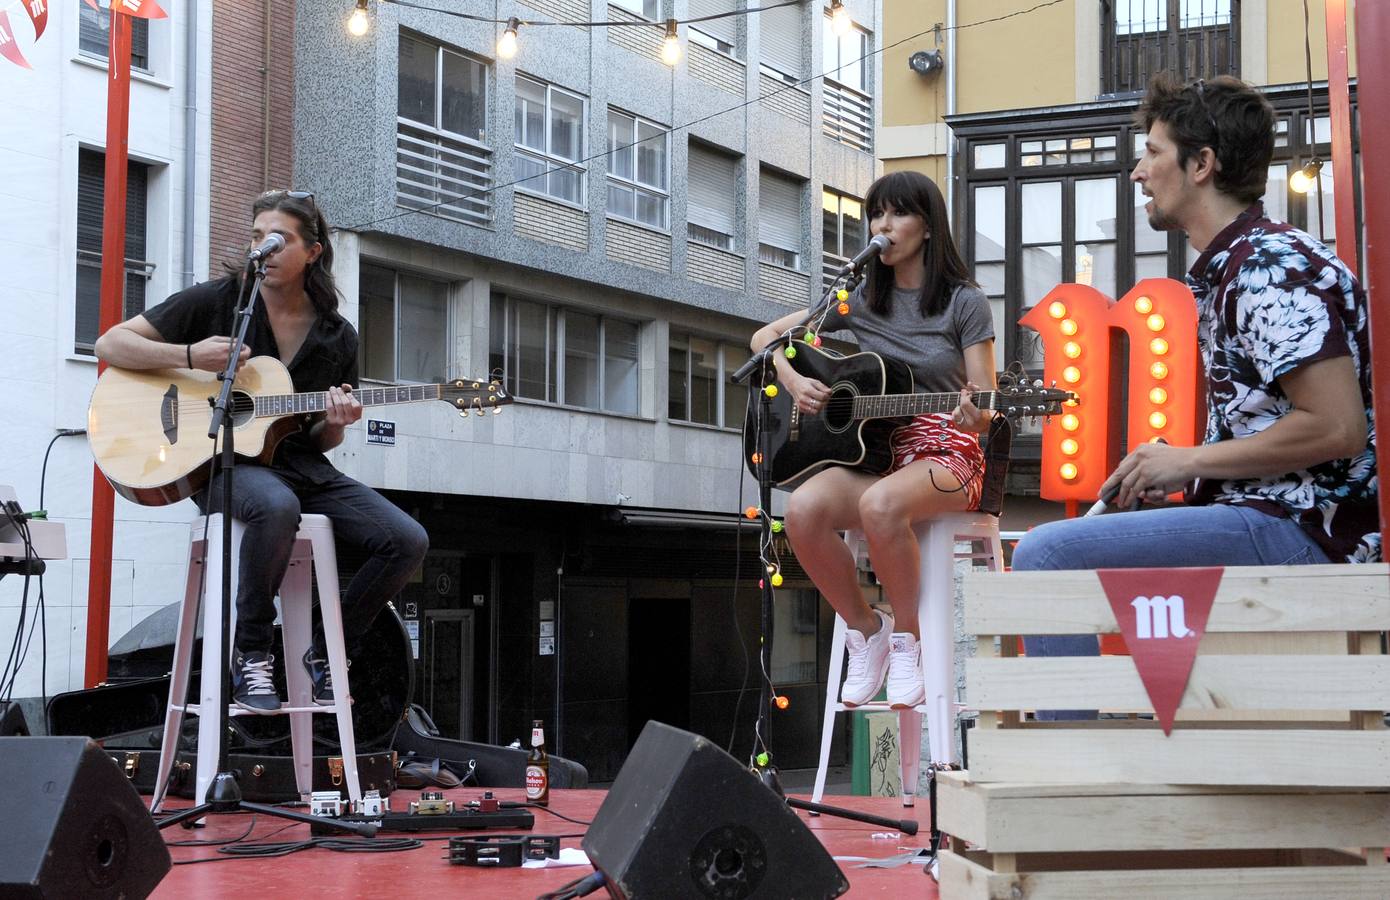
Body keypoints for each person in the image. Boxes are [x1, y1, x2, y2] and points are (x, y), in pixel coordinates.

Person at [1016, 74, 1379, 688]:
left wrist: (1186, 462)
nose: (1138, 173)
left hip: (1305, 534)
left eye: (1153, 153)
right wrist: (1192, 471)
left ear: (1202, 164)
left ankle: (1071, 774)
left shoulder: (1269, 269)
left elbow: (1337, 427)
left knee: (1046, 555)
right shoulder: (1250, 263)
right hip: (1284, 521)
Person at [94, 190, 430, 713]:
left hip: (301, 468)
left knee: (405, 538)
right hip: (219, 468)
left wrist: (336, 426)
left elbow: (317, 437)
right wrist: (189, 354)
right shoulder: (218, 302)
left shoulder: (337, 337)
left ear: (313, 252)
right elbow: (110, 345)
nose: (265, 249)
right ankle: (252, 651)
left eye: (279, 239)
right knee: (277, 506)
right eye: (258, 238)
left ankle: (326, 649)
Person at [750, 171, 996, 709]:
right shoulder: (857, 298)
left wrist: (974, 413)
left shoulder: (964, 302)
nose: (883, 226)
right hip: (879, 448)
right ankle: (868, 629)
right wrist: (792, 379)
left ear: (927, 227)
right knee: (803, 512)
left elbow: (987, 408)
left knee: (880, 505)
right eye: (876, 215)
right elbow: (765, 339)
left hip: (948, 449)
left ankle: (909, 639)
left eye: (896, 214)